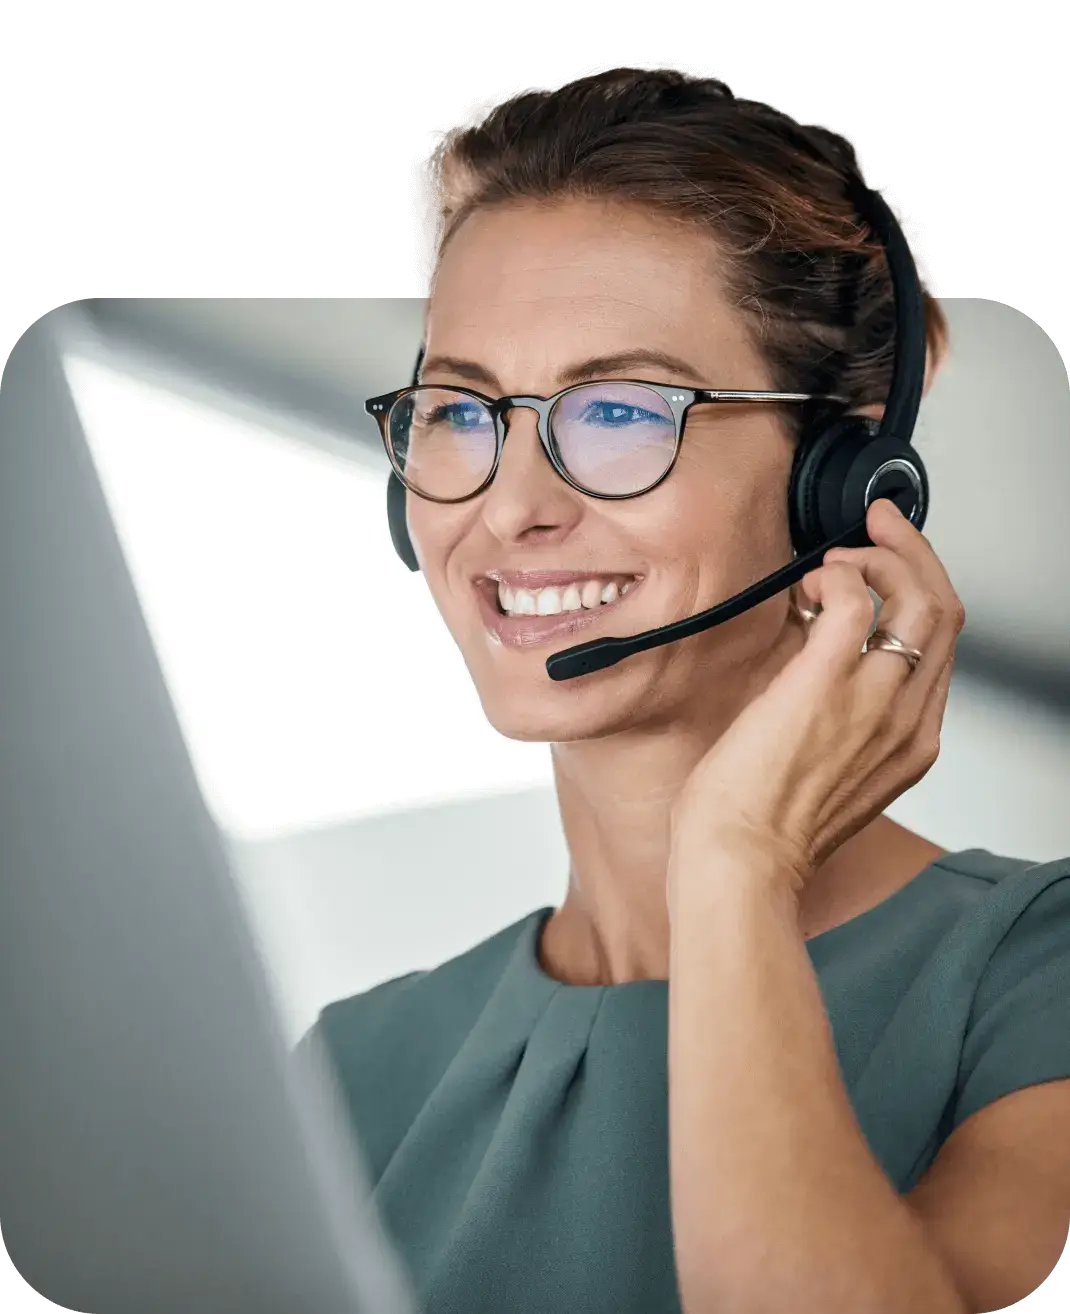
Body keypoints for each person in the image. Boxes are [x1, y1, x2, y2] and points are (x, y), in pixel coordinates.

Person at [299, 68, 1070, 1313]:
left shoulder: (1032, 980)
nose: (509, 508)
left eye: (616, 409)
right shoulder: (341, 1076)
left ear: (843, 477)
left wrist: (734, 863)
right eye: (461, 409)